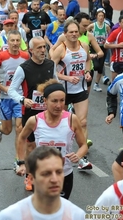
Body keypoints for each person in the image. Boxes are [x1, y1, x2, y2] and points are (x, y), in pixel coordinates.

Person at [15, 79, 89, 199]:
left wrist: (79, 155)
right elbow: (22, 138)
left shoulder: (72, 119)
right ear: (45, 101)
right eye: (54, 101)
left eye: (62, 101)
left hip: (64, 175)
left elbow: (84, 145)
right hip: (40, 175)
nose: (59, 105)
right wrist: (21, 163)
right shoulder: (35, 120)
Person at [7, 36, 57, 191]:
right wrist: (22, 100)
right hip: (30, 112)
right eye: (39, 48)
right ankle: (29, 176)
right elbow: (11, 90)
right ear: (31, 50)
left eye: (44, 47)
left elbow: (55, 83)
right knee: (31, 146)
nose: (43, 50)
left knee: (49, 144)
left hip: (48, 112)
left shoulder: (51, 64)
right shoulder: (24, 68)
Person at [0, 146, 85, 219]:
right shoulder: (9, 217)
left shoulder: (77, 215)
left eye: (58, 172)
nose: (54, 179)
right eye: (46, 174)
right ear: (31, 178)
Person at [50, 19, 93, 169]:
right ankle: (58, 151)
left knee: (82, 122)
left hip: (80, 89)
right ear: (65, 34)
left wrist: (87, 72)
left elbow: (87, 61)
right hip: (63, 92)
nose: (74, 34)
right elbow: (51, 70)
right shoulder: (61, 50)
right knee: (60, 123)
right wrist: (66, 77)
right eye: (71, 32)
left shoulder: (84, 46)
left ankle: (82, 157)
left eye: (76, 32)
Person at [0, 30, 29, 151]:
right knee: (8, 130)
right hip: (4, 97)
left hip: (20, 97)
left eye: (17, 40)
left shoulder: (25, 56)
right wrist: (3, 88)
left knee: (20, 128)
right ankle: (1, 128)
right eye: (12, 40)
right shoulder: (0, 57)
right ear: (8, 42)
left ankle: (18, 161)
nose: (15, 43)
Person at [87, 8, 111, 91]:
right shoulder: (92, 26)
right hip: (94, 47)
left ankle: (96, 84)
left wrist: (107, 44)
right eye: (99, 16)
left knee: (100, 67)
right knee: (96, 66)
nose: (101, 17)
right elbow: (86, 33)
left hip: (102, 47)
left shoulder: (107, 26)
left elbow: (110, 36)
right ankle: (89, 77)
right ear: (96, 16)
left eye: (102, 16)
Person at [105, 15, 123, 82]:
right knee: (115, 82)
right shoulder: (115, 32)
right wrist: (118, 45)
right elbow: (106, 45)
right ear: (119, 23)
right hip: (117, 61)